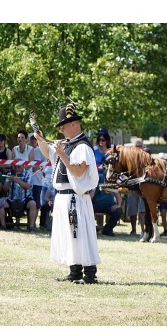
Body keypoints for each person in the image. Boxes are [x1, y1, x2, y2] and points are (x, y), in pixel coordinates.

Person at [34, 102, 100, 284]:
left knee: (80, 234)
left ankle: (89, 273)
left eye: (63, 126)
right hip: (63, 196)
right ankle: (75, 271)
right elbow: (48, 154)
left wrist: (62, 153)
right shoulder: (67, 144)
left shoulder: (83, 146)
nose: (61, 130)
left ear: (73, 124)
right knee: (69, 235)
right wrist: (40, 139)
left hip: (76, 197)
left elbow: (78, 171)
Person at [0, 164, 37, 231]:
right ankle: (3, 225)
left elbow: (27, 186)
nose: (17, 168)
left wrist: (17, 180)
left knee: (33, 204)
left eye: (18, 166)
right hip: (11, 198)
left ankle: (31, 226)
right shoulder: (9, 174)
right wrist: (9, 181)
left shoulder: (28, 174)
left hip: (25, 199)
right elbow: (4, 189)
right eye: (15, 167)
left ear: (23, 166)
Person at [91, 172, 122, 236]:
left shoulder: (110, 182)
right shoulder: (93, 182)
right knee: (87, 209)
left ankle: (107, 229)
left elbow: (117, 194)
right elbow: (90, 198)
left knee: (118, 211)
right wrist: (93, 188)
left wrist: (118, 205)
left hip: (109, 206)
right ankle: (91, 230)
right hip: (96, 205)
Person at [29, 133, 46, 209]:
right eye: (32, 139)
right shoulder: (27, 149)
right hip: (27, 181)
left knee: (36, 203)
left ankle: (34, 220)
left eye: (35, 139)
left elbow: (40, 166)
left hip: (37, 181)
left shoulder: (40, 150)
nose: (33, 141)